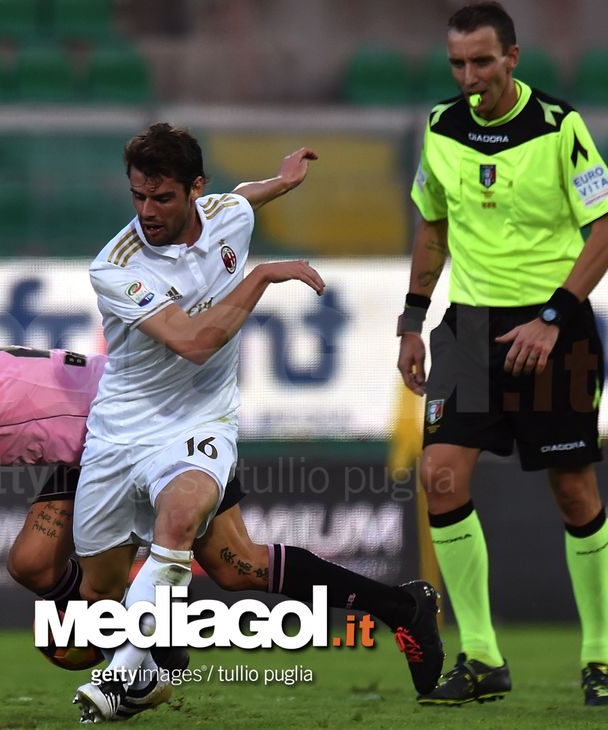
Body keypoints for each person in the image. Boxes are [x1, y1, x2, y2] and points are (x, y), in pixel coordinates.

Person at [0, 345, 442, 718]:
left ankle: (398, 607)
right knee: (35, 563)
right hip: (96, 448)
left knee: (237, 566)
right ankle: (158, 645)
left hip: (143, 424)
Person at [70, 123, 441, 723]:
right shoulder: (114, 267)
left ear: (195, 189)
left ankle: (123, 677)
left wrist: (283, 181)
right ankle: (402, 608)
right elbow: (192, 341)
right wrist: (263, 276)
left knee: (180, 516)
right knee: (213, 571)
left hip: (198, 422)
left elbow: (241, 197)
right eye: (137, 196)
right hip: (120, 433)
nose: (147, 211)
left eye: (161, 198)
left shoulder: (224, 215)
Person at [396, 1, 608, 708]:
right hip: (468, 329)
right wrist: (411, 319)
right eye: (457, 64)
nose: (469, 77)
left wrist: (554, 318)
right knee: (438, 475)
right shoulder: (439, 128)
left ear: (513, 58)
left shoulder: (560, 129)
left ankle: (598, 659)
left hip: (555, 328)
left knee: (573, 489)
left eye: (482, 62)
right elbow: (432, 226)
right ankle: (482, 657)